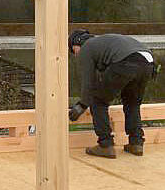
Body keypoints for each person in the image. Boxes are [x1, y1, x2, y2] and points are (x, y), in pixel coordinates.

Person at [67, 30, 157, 159]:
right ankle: (136, 143)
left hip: (126, 61)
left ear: (76, 43)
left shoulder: (86, 47)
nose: (75, 54)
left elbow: (88, 81)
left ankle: (105, 145)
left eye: (73, 50)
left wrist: (82, 104)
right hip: (148, 63)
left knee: (97, 101)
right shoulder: (103, 43)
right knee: (132, 103)